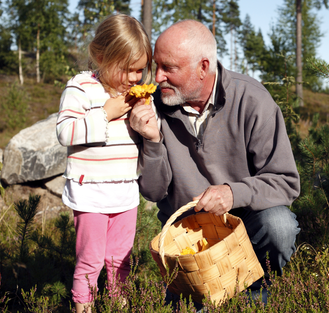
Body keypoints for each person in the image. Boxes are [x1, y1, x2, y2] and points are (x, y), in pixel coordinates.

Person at [129, 19, 300, 307]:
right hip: (187, 236)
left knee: (279, 225)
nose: (157, 77)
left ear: (203, 67)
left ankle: (255, 289)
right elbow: (153, 192)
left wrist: (233, 193)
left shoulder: (253, 100)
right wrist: (153, 142)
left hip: (245, 223)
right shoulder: (152, 107)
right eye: (155, 66)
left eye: (168, 68)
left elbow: (285, 181)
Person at [56, 14, 152, 313]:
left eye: (140, 70)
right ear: (100, 56)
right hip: (91, 192)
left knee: (120, 257)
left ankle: (118, 302)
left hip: (125, 189)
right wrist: (105, 113)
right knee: (92, 257)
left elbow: (140, 137)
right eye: (127, 69)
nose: (135, 78)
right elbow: (64, 131)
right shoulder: (81, 88)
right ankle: (82, 304)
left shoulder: (134, 95)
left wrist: (146, 121)